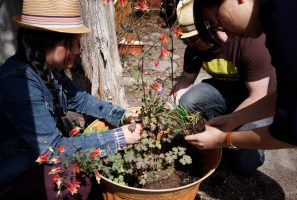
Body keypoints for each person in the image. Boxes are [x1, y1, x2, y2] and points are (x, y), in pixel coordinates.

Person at [0, 0, 143, 199]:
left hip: (35, 162)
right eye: (72, 42)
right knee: (77, 181)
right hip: (14, 175)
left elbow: (80, 99)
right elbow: (53, 149)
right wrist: (118, 137)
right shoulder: (18, 81)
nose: (77, 50)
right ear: (45, 41)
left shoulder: (46, 68)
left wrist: (122, 115)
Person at [169, 0, 276, 174]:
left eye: (193, 38)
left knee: (244, 164)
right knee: (188, 100)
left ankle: (227, 140)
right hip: (225, 90)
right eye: (185, 40)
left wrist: (223, 132)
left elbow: (257, 96)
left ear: (209, 28)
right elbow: (186, 80)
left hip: (262, 101)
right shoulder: (194, 49)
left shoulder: (248, 43)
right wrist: (169, 104)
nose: (189, 44)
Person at [184, 0, 297, 150]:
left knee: (246, 161)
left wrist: (223, 140)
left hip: (253, 95)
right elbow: (290, 95)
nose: (226, 34)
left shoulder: (282, 20)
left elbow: (291, 131)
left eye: (218, 22)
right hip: (235, 95)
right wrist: (232, 119)